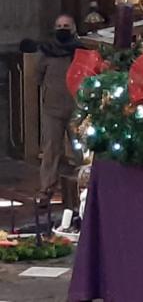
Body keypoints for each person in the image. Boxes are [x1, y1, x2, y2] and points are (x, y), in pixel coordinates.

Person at [34, 14, 85, 203]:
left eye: (66, 25)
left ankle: (84, 187)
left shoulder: (81, 51)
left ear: (73, 29)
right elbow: (37, 77)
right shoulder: (47, 52)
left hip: (76, 109)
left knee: (81, 150)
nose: (62, 28)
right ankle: (46, 189)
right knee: (51, 151)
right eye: (59, 25)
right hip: (52, 109)